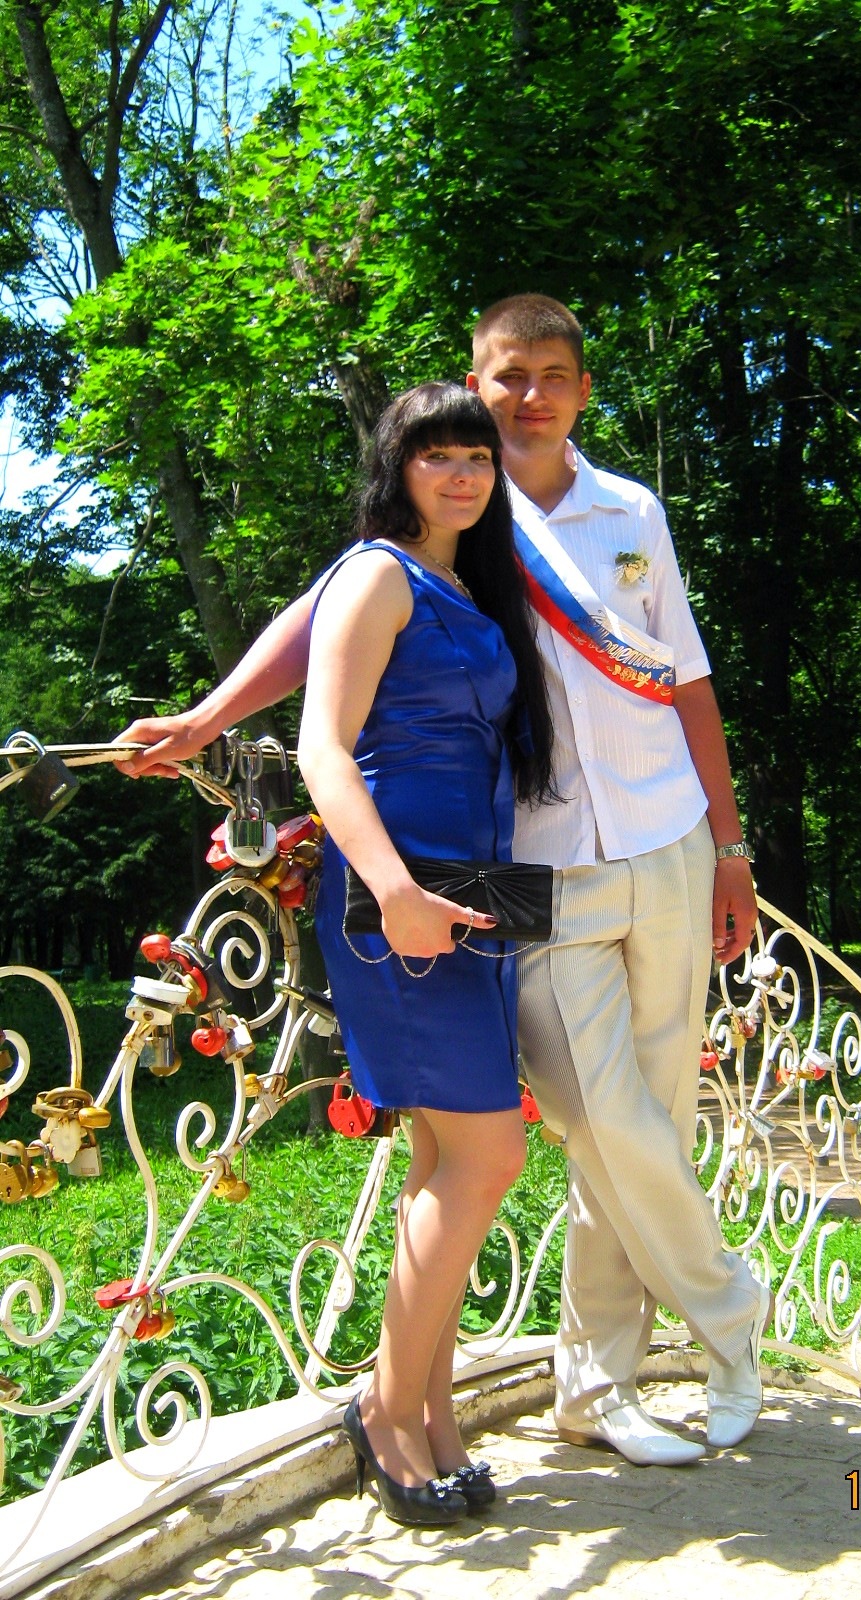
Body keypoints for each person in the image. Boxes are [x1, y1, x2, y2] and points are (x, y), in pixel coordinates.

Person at [118, 295, 770, 1467]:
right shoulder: (456, 502)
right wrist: (208, 717)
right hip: (534, 864)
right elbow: (325, 617)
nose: (531, 396)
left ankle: (595, 1384)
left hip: (664, 835)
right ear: (475, 383)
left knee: (652, 1119)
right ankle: (730, 1308)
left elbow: (688, 680)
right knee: (595, 1116)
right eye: (509, 374)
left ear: (584, 389)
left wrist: (730, 846)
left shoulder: (631, 512)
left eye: (555, 375)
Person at [295, 380, 556, 1525]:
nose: (461, 473)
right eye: (436, 454)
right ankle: (386, 1412)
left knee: (447, 1158)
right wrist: (395, 887)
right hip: (397, 898)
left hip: (472, 898)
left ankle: (433, 1412)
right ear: (397, 466)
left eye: (478, 457)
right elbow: (322, 746)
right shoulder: (375, 575)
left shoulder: (465, 586)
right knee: (489, 1154)